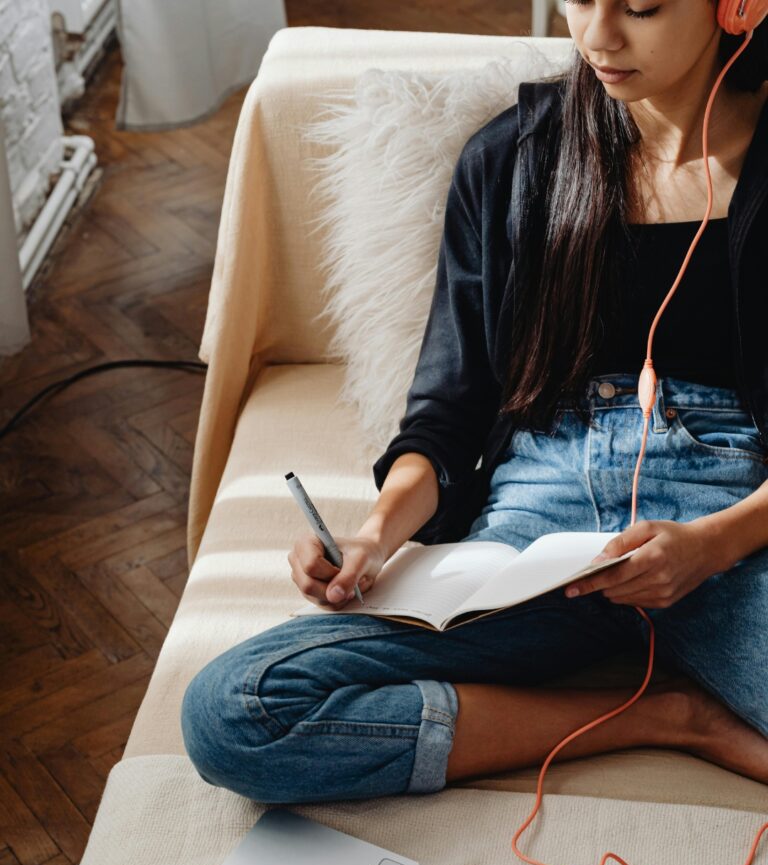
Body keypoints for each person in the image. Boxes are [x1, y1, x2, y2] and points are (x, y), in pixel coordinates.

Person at [181, 0, 768, 804]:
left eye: (639, 7)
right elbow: (448, 414)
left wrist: (710, 546)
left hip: (732, 525)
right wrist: (377, 535)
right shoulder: (509, 160)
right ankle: (663, 718)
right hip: (538, 523)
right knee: (234, 713)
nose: (597, 36)